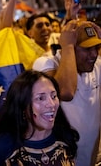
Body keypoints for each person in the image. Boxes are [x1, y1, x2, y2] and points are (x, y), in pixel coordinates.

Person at [33, 19, 101, 166]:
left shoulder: (97, 66)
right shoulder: (45, 63)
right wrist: (68, 46)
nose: (94, 54)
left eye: (97, 47)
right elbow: (66, 91)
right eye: (87, 49)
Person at [0, 70, 79, 166]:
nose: (51, 104)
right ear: (22, 105)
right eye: (40, 98)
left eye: (54, 96)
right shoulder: (2, 147)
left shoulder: (65, 137)